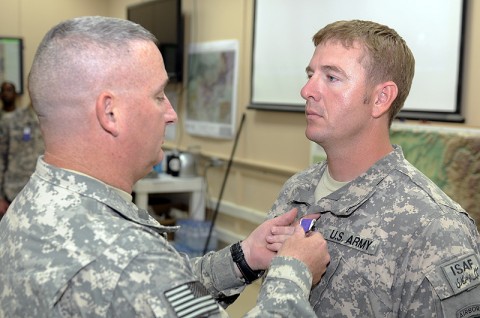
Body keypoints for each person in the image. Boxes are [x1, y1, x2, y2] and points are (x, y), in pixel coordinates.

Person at [0, 16, 330, 317]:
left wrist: (244, 258)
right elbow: (146, 277)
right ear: (110, 113)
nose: (171, 113)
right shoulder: (127, 257)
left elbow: (171, 294)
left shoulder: (35, 206)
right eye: (159, 96)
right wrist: (294, 272)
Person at [268, 19, 480, 317]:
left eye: (331, 77)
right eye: (310, 74)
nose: (306, 90)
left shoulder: (434, 227)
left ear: (381, 99)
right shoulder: (296, 191)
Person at [0, 81, 44, 217]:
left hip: (44, 197)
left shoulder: (57, 123)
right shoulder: (12, 121)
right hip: (14, 195)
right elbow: (1, 158)